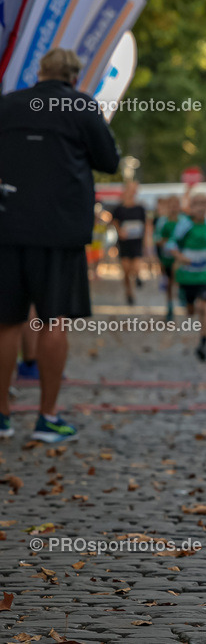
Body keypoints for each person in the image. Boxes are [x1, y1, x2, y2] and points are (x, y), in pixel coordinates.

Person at [0, 48, 120, 442]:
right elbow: (109, 160)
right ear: (73, 77)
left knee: (6, 323)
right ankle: (47, 417)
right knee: (54, 320)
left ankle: (1, 415)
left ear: (40, 73)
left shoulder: (8, 105)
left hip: (7, 224)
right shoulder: (82, 107)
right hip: (59, 230)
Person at [165, 193, 206, 362]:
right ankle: (188, 305)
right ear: (190, 207)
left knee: (203, 307)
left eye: (204, 204)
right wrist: (180, 257)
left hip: (205, 275)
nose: (200, 208)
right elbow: (171, 244)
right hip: (187, 276)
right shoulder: (184, 226)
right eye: (196, 204)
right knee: (190, 311)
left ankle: (204, 342)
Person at [111, 181, 148, 305]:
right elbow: (114, 222)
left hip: (136, 242)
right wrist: (119, 231)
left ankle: (137, 277)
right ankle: (129, 292)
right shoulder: (119, 209)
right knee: (126, 270)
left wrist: (147, 241)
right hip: (124, 243)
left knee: (136, 265)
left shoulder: (140, 208)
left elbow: (146, 225)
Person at [155, 196, 182, 321]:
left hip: (180, 257)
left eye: (176, 204)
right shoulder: (162, 221)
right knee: (169, 283)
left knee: (176, 279)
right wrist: (167, 242)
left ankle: (182, 299)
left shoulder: (183, 221)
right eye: (171, 205)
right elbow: (157, 239)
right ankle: (170, 306)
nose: (174, 208)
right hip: (166, 257)